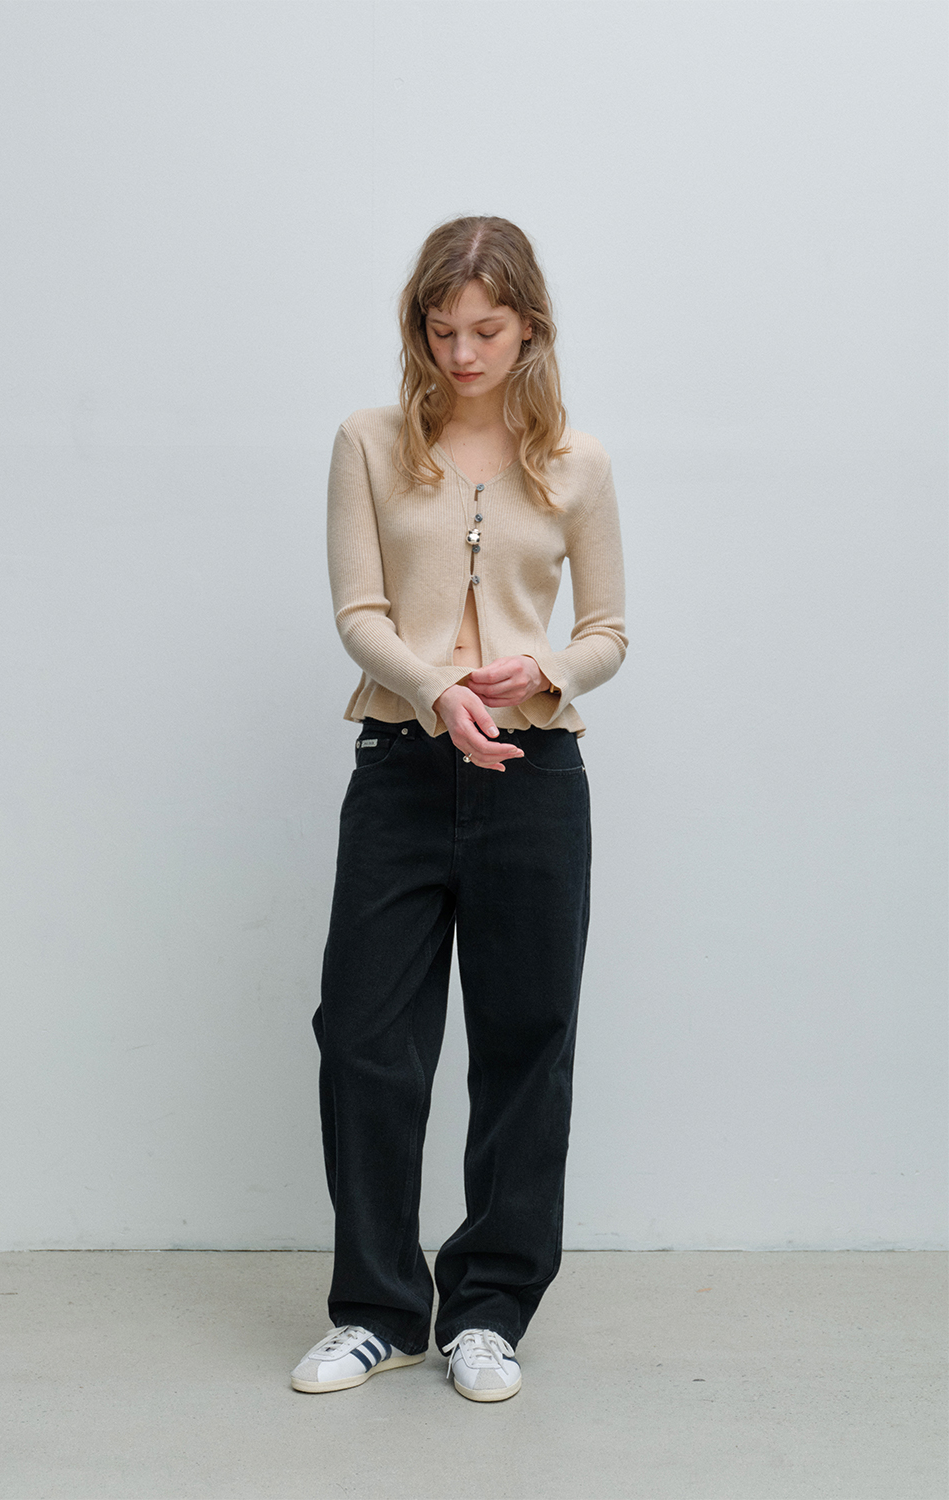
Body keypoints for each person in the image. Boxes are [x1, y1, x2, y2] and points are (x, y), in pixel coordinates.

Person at [291, 216, 627, 1403]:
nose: (462, 353)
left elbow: (607, 631)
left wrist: (547, 672)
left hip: (535, 777)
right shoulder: (371, 441)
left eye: (485, 329)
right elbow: (358, 611)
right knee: (365, 1040)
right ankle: (378, 1312)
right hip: (400, 764)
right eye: (440, 331)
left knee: (526, 1044)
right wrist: (436, 691)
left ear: (529, 326)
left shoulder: (576, 461)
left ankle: (487, 1312)